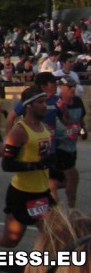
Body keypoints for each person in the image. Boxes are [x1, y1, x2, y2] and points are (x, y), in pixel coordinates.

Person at [0, 86, 54, 248]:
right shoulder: (19, 131)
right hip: (22, 194)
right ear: (29, 106)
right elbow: (6, 164)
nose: (45, 105)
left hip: (42, 194)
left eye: (45, 101)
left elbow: (42, 157)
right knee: (11, 241)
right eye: (40, 102)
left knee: (53, 236)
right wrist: (35, 166)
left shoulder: (44, 128)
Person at [52, 77, 85, 209]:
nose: (73, 89)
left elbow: (81, 120)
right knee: (73, 176)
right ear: (61, 87)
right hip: (60, 147)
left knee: (65, 181)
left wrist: (83, 130)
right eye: (69, 86)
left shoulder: (77, 101)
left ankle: (44, 187)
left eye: (73, 86)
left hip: (72, 147)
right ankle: (72, 211)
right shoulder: (56, 104)